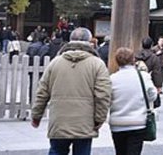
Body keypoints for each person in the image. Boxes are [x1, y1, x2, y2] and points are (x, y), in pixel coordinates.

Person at [31, 27, 112, 155]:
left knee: (57, 151)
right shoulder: (97, 64)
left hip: (59, 119)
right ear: (90, 41)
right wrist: (99, 119)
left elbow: (42, 92)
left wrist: (36, 115)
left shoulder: (55, 63)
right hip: (84, 121)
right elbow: (103, 95)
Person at [108, 47, 157, 155]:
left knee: (120, 152)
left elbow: (107, 99)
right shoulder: (143, 76)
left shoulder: (112, 79)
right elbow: (152, 95)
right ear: (133, 59)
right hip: (138, 121)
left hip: (118, 123)